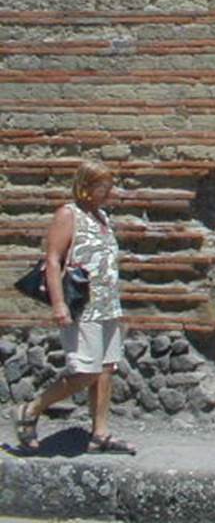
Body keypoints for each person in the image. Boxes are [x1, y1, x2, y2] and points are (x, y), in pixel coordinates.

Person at [12, 159, 136, 454]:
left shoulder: (101, 217)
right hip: (81, 306)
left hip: (107, 305)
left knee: (106, 369)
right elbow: (53, 260)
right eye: (102, 187)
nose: (109, 193)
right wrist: (59, 304)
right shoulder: (68, 214)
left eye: (109, 187)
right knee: (86, 371)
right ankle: (31, 409)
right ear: (85, 187)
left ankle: (100, 433)